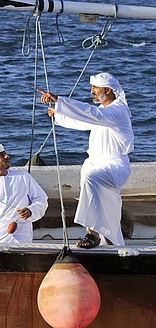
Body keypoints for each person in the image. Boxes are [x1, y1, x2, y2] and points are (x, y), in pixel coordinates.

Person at [39, 72, 134, 248]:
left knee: (92, 178)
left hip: (115, 166)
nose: (92, 91)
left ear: (108, 89)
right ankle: (113, 244)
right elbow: (84, 122)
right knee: (108, 207)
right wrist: (58, 114)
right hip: (98, 164)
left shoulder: (118, 111)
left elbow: (92, 114)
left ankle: (93, 234)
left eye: (95, 88)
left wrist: (59, 101)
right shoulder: (105, 112)